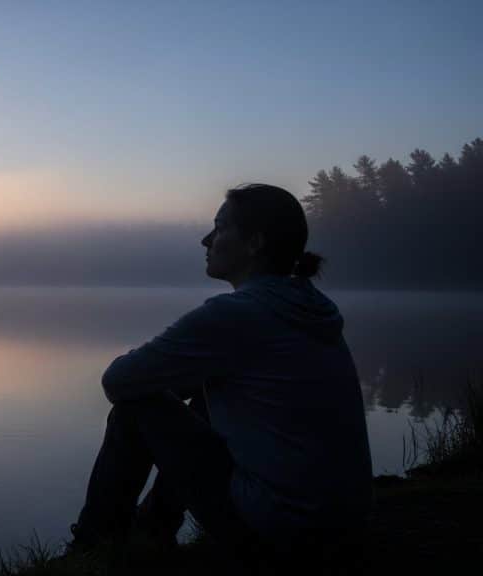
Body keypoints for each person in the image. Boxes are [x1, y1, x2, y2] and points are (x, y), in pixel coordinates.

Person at [68, 184, 373, 573]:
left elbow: (117, 382)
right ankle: (152, 529)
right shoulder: (307, 307)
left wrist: (159, 376)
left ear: (254, 243)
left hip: (282, 537)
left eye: (220, 227)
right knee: (205, 388)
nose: (206, 240)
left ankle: (92, 548)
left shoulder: (238, 314)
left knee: (136, 408)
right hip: (344, 529)